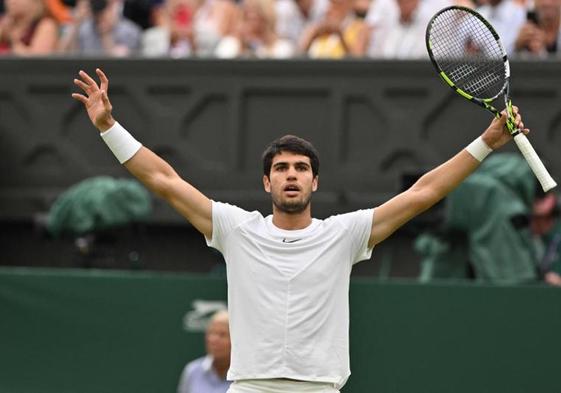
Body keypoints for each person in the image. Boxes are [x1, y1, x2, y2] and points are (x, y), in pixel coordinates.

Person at [72, 68, 528, 392]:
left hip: (320, 388)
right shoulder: (236, 228)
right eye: (282, 168)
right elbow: (164, 181)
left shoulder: (345, 234)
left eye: (301, 168)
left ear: (315, 182)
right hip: (250, 388)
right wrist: (109, 126)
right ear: (267, 182)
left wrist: (488, 141)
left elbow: (423, 193)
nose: (292, 174)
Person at [58, 0, 142, 56]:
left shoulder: (129, 30)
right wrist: (76, 23)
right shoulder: (83, 28)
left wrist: (106, 34)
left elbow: (122, 66)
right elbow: (62, 56)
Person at [177, 310, 232, 393]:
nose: (214, 340)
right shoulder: (192, 371)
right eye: (211, 333)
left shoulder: (245, 375)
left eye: (222, 334)